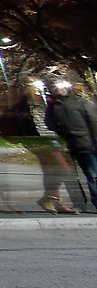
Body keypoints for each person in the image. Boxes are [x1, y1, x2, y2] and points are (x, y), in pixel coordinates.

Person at [6, 84, 75, 215]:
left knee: (51, 169)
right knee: (62, 168)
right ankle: (48, 198)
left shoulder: (45, 98)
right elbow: (30, 121)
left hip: (50, 136)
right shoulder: (27, 102)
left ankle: (55, 200)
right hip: (39, 138)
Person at [46, 78, 97, 213]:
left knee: (90, 175)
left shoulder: (78, 103)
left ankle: (90, 202)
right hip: (75, 144)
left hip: (84, 144)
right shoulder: (56, 105)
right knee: (82, 176)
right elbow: (49, 123)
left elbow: (94, 122)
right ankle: (83, 203)